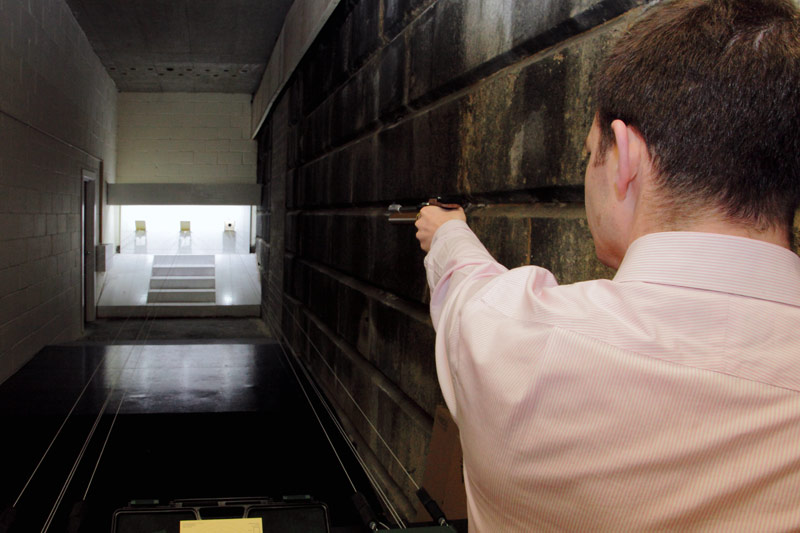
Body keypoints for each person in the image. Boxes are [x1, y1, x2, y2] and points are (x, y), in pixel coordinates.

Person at [415, 0, 800, 530]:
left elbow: (468, 288)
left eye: (589, 153)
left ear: (623, 158)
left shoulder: (514, 340)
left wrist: (447, 232)